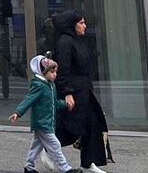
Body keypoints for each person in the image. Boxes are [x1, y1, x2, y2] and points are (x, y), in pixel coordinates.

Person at [53, 11, 111, 171]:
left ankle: (89, 161)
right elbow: (63, 69)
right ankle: (47, 147)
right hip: (74, 92)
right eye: (81, 23)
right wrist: (67, 92)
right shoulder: (65, 42)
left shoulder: (78, 41)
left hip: (85, 91)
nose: (84, 26)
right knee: (71, 127)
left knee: (92, 124)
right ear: (73, 25)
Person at [10, 55, 72, 173]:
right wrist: (18, 112)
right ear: (43, 72)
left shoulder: (51, 86)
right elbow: (29, 99)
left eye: (56, 72)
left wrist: (65, 104)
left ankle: (29, 167)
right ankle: (65, 169)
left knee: (36, 146)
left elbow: (54, 103)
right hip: (42, 123)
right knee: (55, 145)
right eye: (52, 72)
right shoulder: (39, 85)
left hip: (46, 122)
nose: (55, 74)